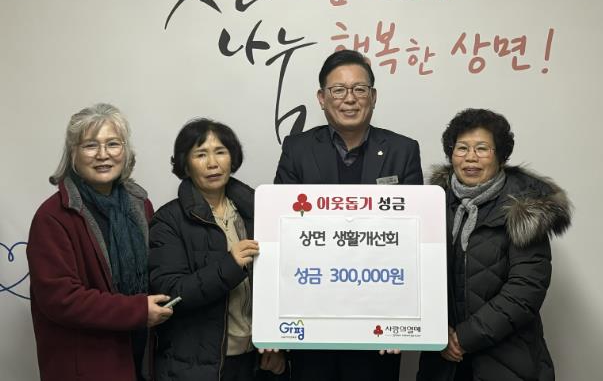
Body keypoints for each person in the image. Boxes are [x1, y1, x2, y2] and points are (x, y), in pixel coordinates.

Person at [274, 49, 424, 381]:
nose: (350, 99)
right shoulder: (297, 149)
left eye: (359, 89)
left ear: (374, 96)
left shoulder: (403, 150)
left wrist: (401, 319)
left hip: (378, 316)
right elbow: (281, 231)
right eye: (338, 90)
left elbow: (413, 241)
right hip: (312, 312)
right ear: (322, 98)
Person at [417, 108, 572, 381]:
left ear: (500, 156)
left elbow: (525, 290)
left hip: (507, 362)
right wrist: (433, 333)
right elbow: (416, 275)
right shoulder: (431, 203)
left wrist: (463, 339)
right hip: (442, 364)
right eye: (462, 148)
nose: (470, 157)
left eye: (482, 148)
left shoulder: (524, 209)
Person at [27, 103, 173, 381]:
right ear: (73, 153)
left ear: (125, 151)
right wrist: (137, 311)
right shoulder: (53, 216)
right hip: (88, 365)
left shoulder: (140, 205)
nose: (103, 155)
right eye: (90, 145)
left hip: (140, 356)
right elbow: (61, 299)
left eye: (113, 144)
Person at [148, 119, 285, 381]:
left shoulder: (260, 211)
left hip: (256, 360)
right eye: (201, 154)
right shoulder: (168, 220)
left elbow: (282, 283)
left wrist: (278, 344)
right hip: (196, 365)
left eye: (220, 152)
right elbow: (170, 294)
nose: (213, 163)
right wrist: (229, 266)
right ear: (185, 164)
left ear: (232, 158)